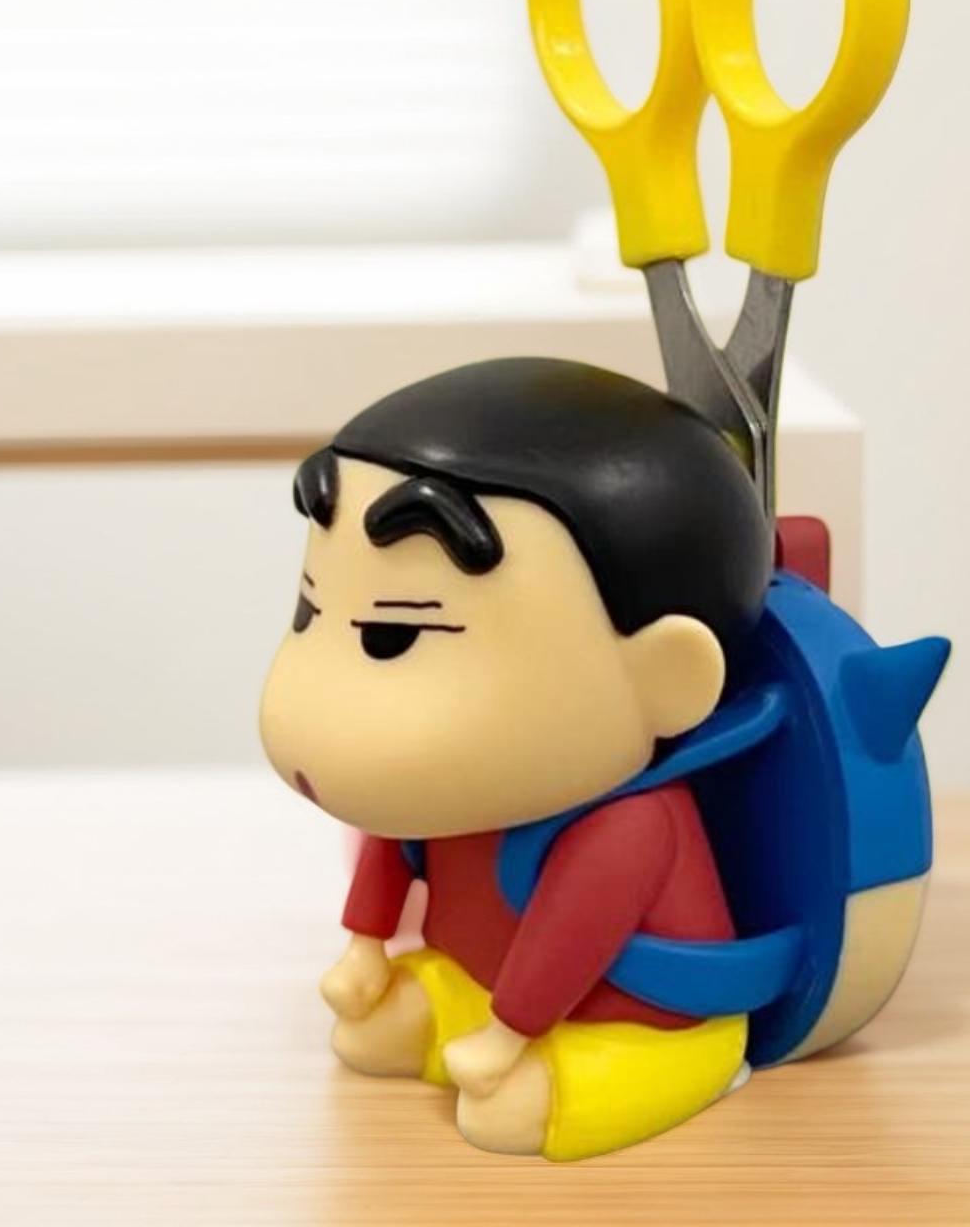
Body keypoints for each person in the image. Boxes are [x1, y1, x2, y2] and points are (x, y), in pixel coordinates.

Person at [259, 356, 772, 1160]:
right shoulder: (453, 794)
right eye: (309, 609)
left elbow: (571, 937)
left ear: (664, 680)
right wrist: (365, 946)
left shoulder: (629, 826)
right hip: (478, 981)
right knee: (369, 1034)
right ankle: (459, 1018)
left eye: (393, 635)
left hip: (641, 1024)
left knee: (501, 1117)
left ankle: (641, 1064)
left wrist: (508, 1037)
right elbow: (394, 842)